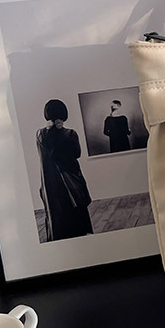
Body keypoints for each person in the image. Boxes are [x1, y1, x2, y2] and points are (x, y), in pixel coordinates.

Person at [36, 99, 93, 242]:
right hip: (70, 179)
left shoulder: (40, 135)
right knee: (76, 213)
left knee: (56, 213)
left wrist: (51, 131)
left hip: (50, 182)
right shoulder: (70, 133)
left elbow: (47, 155)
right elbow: (77, 154)